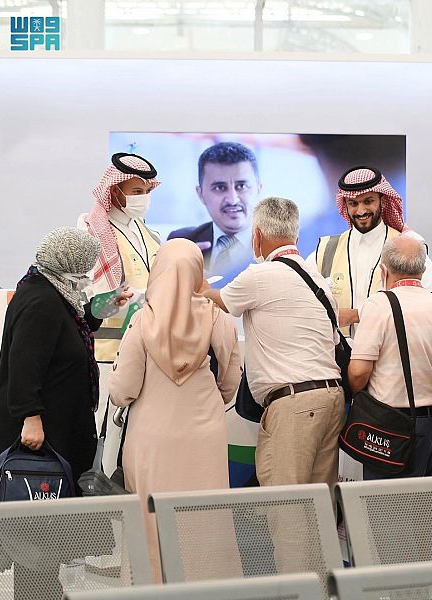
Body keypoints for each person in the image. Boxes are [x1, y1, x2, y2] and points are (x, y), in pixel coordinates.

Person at [0, 228, 117, 598]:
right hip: (34, 432)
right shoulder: (41, 302)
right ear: (68, 264)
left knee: (45, 532)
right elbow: (24, 365)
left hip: (53, 426)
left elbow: (70, 331)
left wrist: (100, 312)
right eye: (84, 268)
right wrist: (31, 417)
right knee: (36, 535)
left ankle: (44, 591)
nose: (87, 276)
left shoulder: (51, 291)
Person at [108, 239, 242, 583]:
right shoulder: (218, 319)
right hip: (205, 437)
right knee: (205, 519)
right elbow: (230, 383)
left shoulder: (142, 322)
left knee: (149, 520)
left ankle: (153, 586)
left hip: (151, 440)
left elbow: (122, 391)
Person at [202, 197, 344, 488]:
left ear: (257, 236)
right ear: (296, 236)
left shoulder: (259, 275)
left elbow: (220, 300)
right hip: (331, 398)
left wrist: (198, 284)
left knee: (285, 500)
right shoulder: (318, 280)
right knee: (320, 499)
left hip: (294, 404)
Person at [78, 152, 161, 474]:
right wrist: (120, 299)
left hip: (147, 351)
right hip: (107, 355)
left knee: (136, 445)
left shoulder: (149, 233)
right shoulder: (91, 230)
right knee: (104, 443)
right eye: (136, 191)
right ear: (114, 191)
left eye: (147, 192)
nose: (143, 199)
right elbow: (88, 298)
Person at [348, 234, 432, 480]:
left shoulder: (379, 305)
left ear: (383, 271)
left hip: (392, 429)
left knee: (386, 502)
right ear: (423, 270)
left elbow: (358, 372)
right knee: (428, 501)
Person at [310, 166, 432, 335]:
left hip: (390, 349)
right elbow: (305, 301)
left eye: (368, 202)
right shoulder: (325, 250)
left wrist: (357, 315)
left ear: (383, 201)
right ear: (345, 205)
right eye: (353, 203)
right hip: (336, 350)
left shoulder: (407, 247)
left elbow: (418, 305)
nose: (361, 211)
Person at [169, 141, 263, 279]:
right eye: (220, 188)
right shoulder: (181, 243)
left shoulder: (284, 248)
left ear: (259, 189)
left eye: (242, 186)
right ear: (201, 194)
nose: (232, 200)